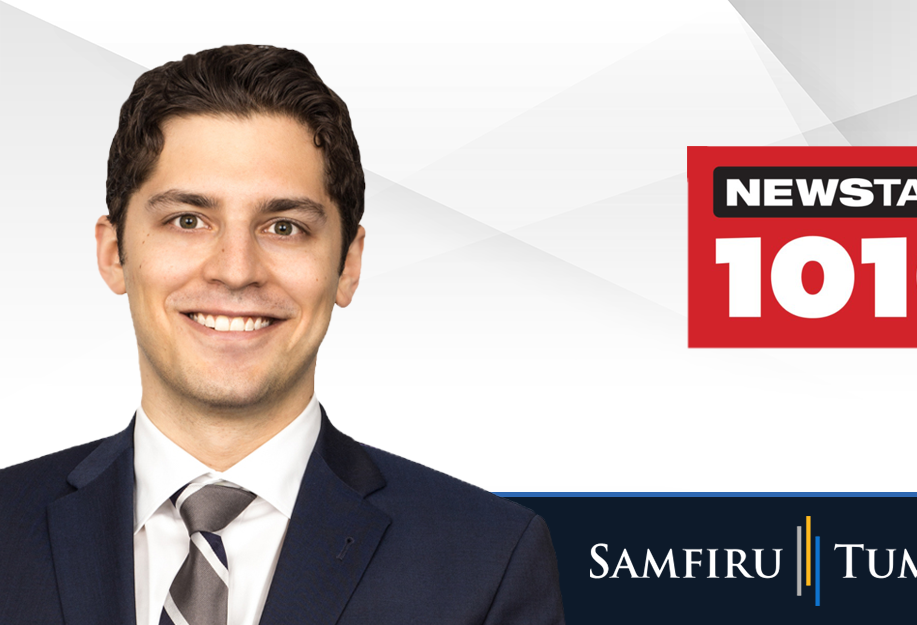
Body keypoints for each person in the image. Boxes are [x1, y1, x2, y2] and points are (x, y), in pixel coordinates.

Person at [0, 44, 566, 625]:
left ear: (347, 265)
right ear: (114, 253)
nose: (236, 268)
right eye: (188, 220)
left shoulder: (488, 561)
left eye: (284, 227)